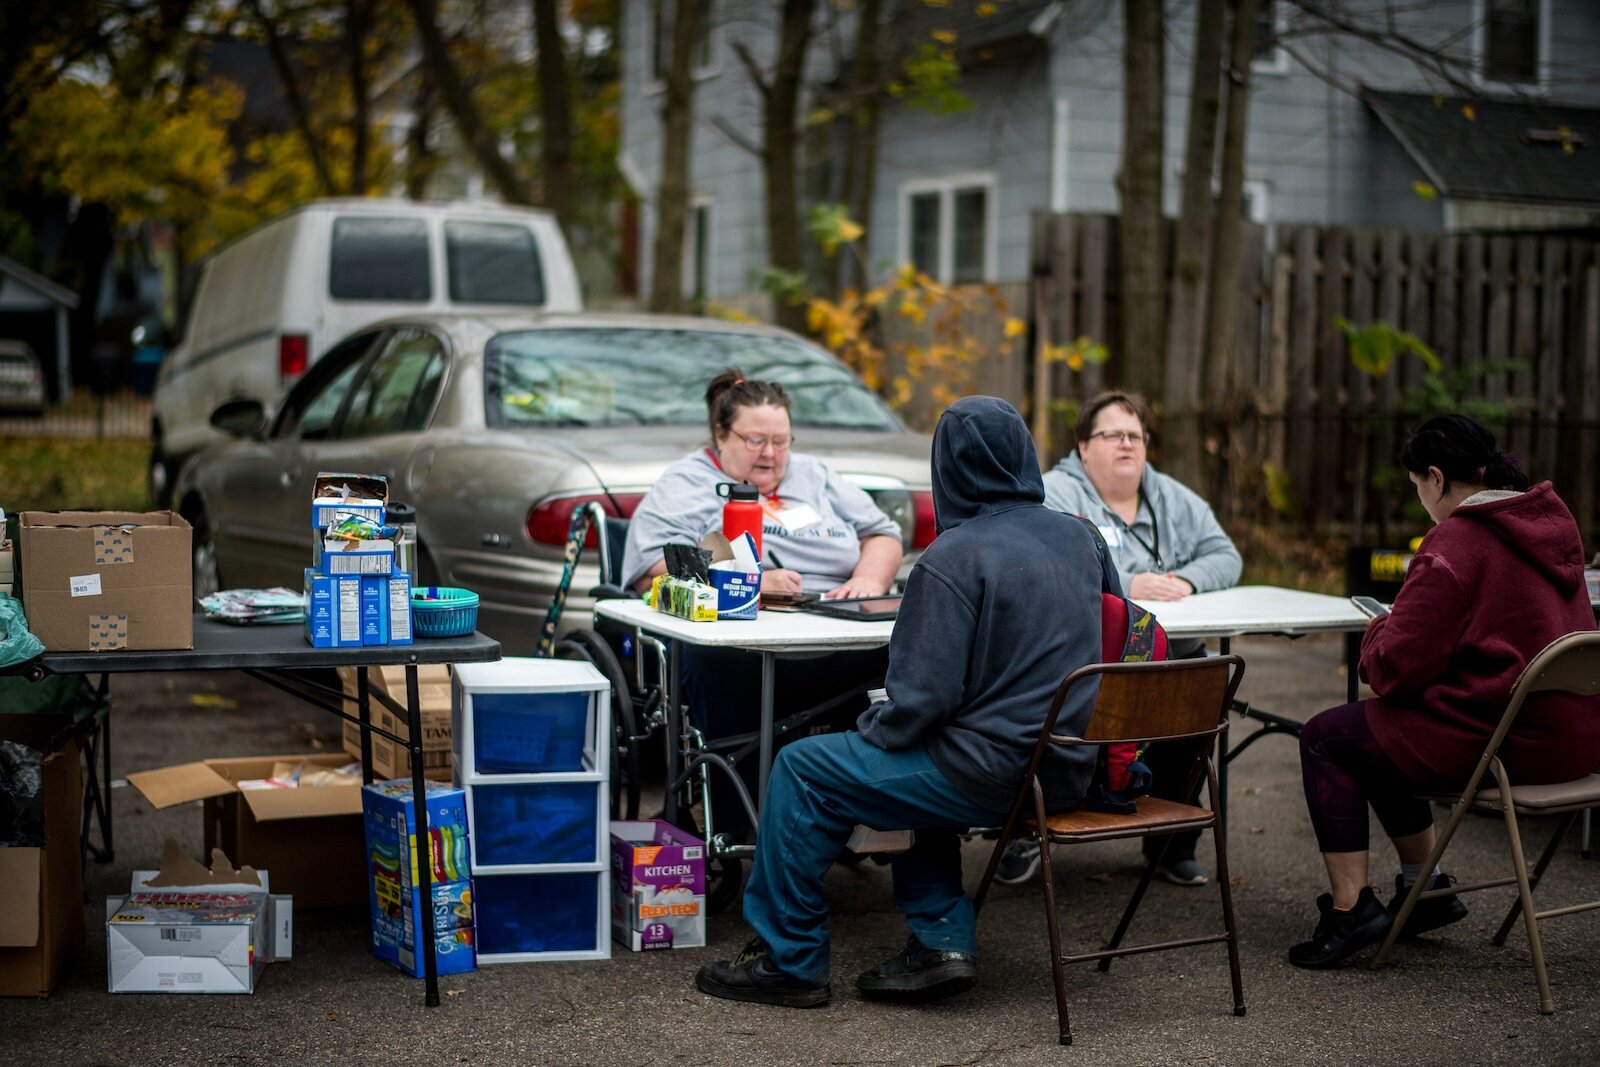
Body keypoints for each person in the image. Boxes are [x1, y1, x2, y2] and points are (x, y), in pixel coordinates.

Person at [693, 395, 1115, 1008]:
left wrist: (873, 723)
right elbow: (1118, 635)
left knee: (806, 767)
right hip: (1071, 764)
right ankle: (941, 941)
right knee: (918, 755)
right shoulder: (1084, 538)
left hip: (994, 770)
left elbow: (922, 699)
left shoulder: (953, 557)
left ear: (949, 466)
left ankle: (790, 961)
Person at [1288, 414, 1600, 969]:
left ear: (1436, 477)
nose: (1422, 503)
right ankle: (1423, 890)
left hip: (1509, 744)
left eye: (1417, 489)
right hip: (1575, 740)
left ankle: (1349, 908)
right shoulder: (1544, 525)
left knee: (1326, 737)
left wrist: (1381, 627)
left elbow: (1392, 669)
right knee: (1380, 729)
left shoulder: (1456, 542)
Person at [620, 368, 905, 839]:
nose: (771, 455)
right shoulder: (687, 484)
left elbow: (882, 532)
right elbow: (655, 564)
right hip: (742, 641)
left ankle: (874, 818)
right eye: (755, 440)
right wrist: (747, 579)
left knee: (908, 661)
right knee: (718, 666)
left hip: (838, 628)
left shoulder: (814, 474)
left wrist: (867, 577)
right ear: (719, 434)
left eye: (782, 441)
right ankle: (746, 830)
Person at [996, 390, 1242, 888]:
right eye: (1113, 435)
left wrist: (1186, 581)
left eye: (1136, 436)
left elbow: (1225, 553)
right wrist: (1129, 583)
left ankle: (1171, 845)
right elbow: (1051, 563)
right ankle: (1028, 829)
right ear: (1083, 446)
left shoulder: (1171, 495)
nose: (1127, 445)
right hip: (1085, 656)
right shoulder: (1052, 495)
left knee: (1202, 688)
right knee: (1053, 703)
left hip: (1169, 648)